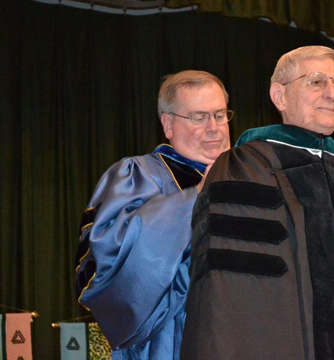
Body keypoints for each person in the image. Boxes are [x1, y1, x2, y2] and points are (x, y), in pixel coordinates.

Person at [181, 46, 334, 360]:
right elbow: (229, 293)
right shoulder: (243, 168)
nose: (332, 94)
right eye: (316, 82)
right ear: (279, 96)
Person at [75, 70, 232, 359]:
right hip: (168, 343)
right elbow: (106, 263)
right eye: (199, 117)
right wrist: (195, 196)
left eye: (220, 115)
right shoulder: (137, 175)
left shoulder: (248, 179)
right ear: (168, 124)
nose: (215, 128)